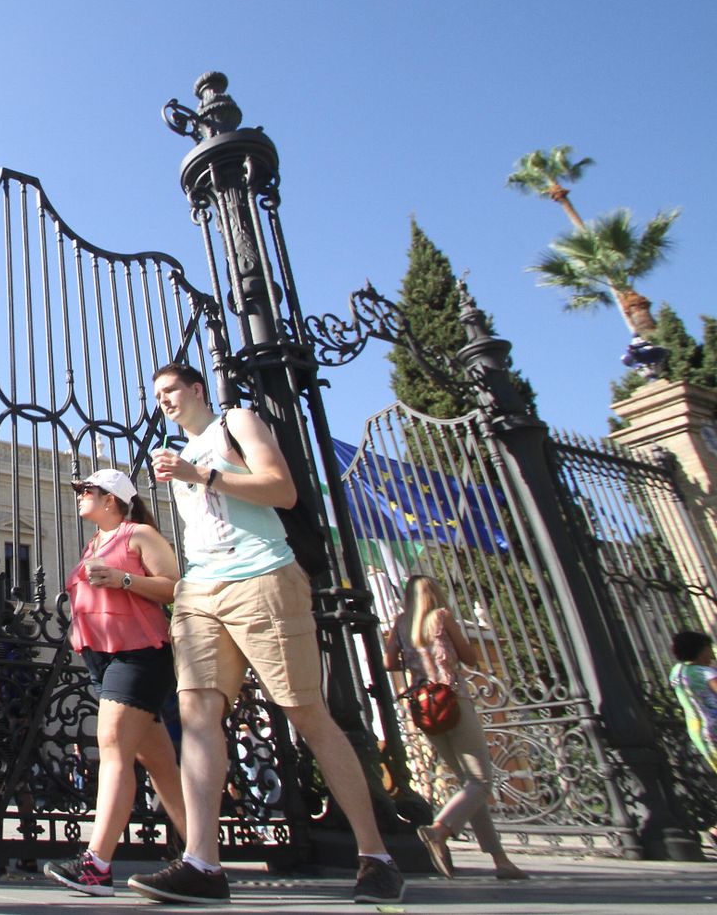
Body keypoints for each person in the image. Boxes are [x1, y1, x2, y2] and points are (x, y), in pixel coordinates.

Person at [129, 363, 404, 905]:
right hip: (201, 589)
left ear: (197, 390)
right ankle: (203, 863)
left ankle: (376, 854)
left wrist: (200, 474)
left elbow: (281, 490)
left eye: (171, 391)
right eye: (156, 395)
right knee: (198, 715)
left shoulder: (238, 422)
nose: (163, 401)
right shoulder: (177, 453)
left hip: (262, 576)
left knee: (305, 712)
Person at [44, 468, 189, 897]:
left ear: (111, 499)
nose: (78, 495)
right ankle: (205, 856)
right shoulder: (95, 544)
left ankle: (97, 865)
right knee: (160, 763)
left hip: (138, 653)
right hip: (103, 660)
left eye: (86, 490)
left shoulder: (139, 534)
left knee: (111, 745)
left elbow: (175, 586)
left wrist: (122, 579)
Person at [383, 574, 527, 880]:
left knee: (468, 785)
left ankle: (500, 860)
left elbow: (388, 663)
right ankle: (439, 830)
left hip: (423, 706)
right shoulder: (440, 617)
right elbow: (471, 657)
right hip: (452, 699)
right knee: (480, 781)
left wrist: (414, 661)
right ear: (433, 593)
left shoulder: (400, 623)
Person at [669, 629, 717, 849]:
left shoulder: (677, 672)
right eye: (709, 649)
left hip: (698, 732)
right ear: (701, 650)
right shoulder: (705, 673)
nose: (711, 653)